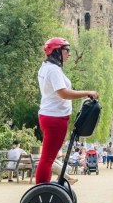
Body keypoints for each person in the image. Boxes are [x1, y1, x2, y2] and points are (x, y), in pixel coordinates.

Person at [36, 37, 98, 184]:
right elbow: (63, 92)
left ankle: (44, 188)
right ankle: (41, 190)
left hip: (50, 115)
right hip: (55, 118)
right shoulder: (53, 70)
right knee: (48, 158)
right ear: (57, 51)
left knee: (48, 157)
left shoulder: (46, 67)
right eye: (66, 50)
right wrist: (86, 92)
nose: (69, 54)